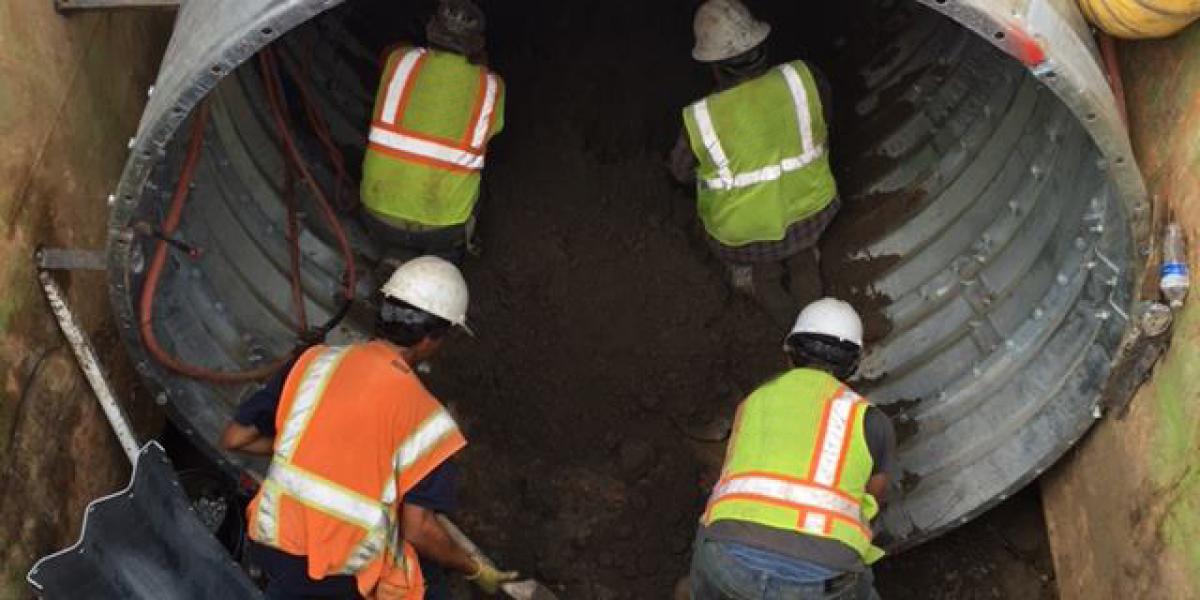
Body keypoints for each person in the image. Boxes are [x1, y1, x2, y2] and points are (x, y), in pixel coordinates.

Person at [220, 256, 517, 599]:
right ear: (430, 339)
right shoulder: (427, 421)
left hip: (270, 546)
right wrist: (474, 568)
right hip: (336, 575)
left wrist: (313, 446)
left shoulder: (314, 363)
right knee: (427, 578)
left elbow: (235, 438)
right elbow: (419, 530)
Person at [689, 298, 896, 600]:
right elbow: (875, 497)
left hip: (726, 564)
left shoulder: (752, 403)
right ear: (853, 365)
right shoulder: (871, 421)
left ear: (789, 354)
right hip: (820, 579)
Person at [670, 0, 839, 326]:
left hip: (745, 237)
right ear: (761, 44)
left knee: (766, 275)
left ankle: (788, 331)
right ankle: (816, 327)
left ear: (714, 66)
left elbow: (680, 172)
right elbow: (825, 122)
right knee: (803, 260)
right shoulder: (804, 79)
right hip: (813, 211)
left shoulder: (701, 118)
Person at [360, 0, 505, 264]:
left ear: (430, 28)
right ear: (478, 44)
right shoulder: (491, 86)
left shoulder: (398, 60)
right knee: (481, 182)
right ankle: (450, 259)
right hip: (442, 229)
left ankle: (392, 261)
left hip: (376, 215)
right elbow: (492, 132)